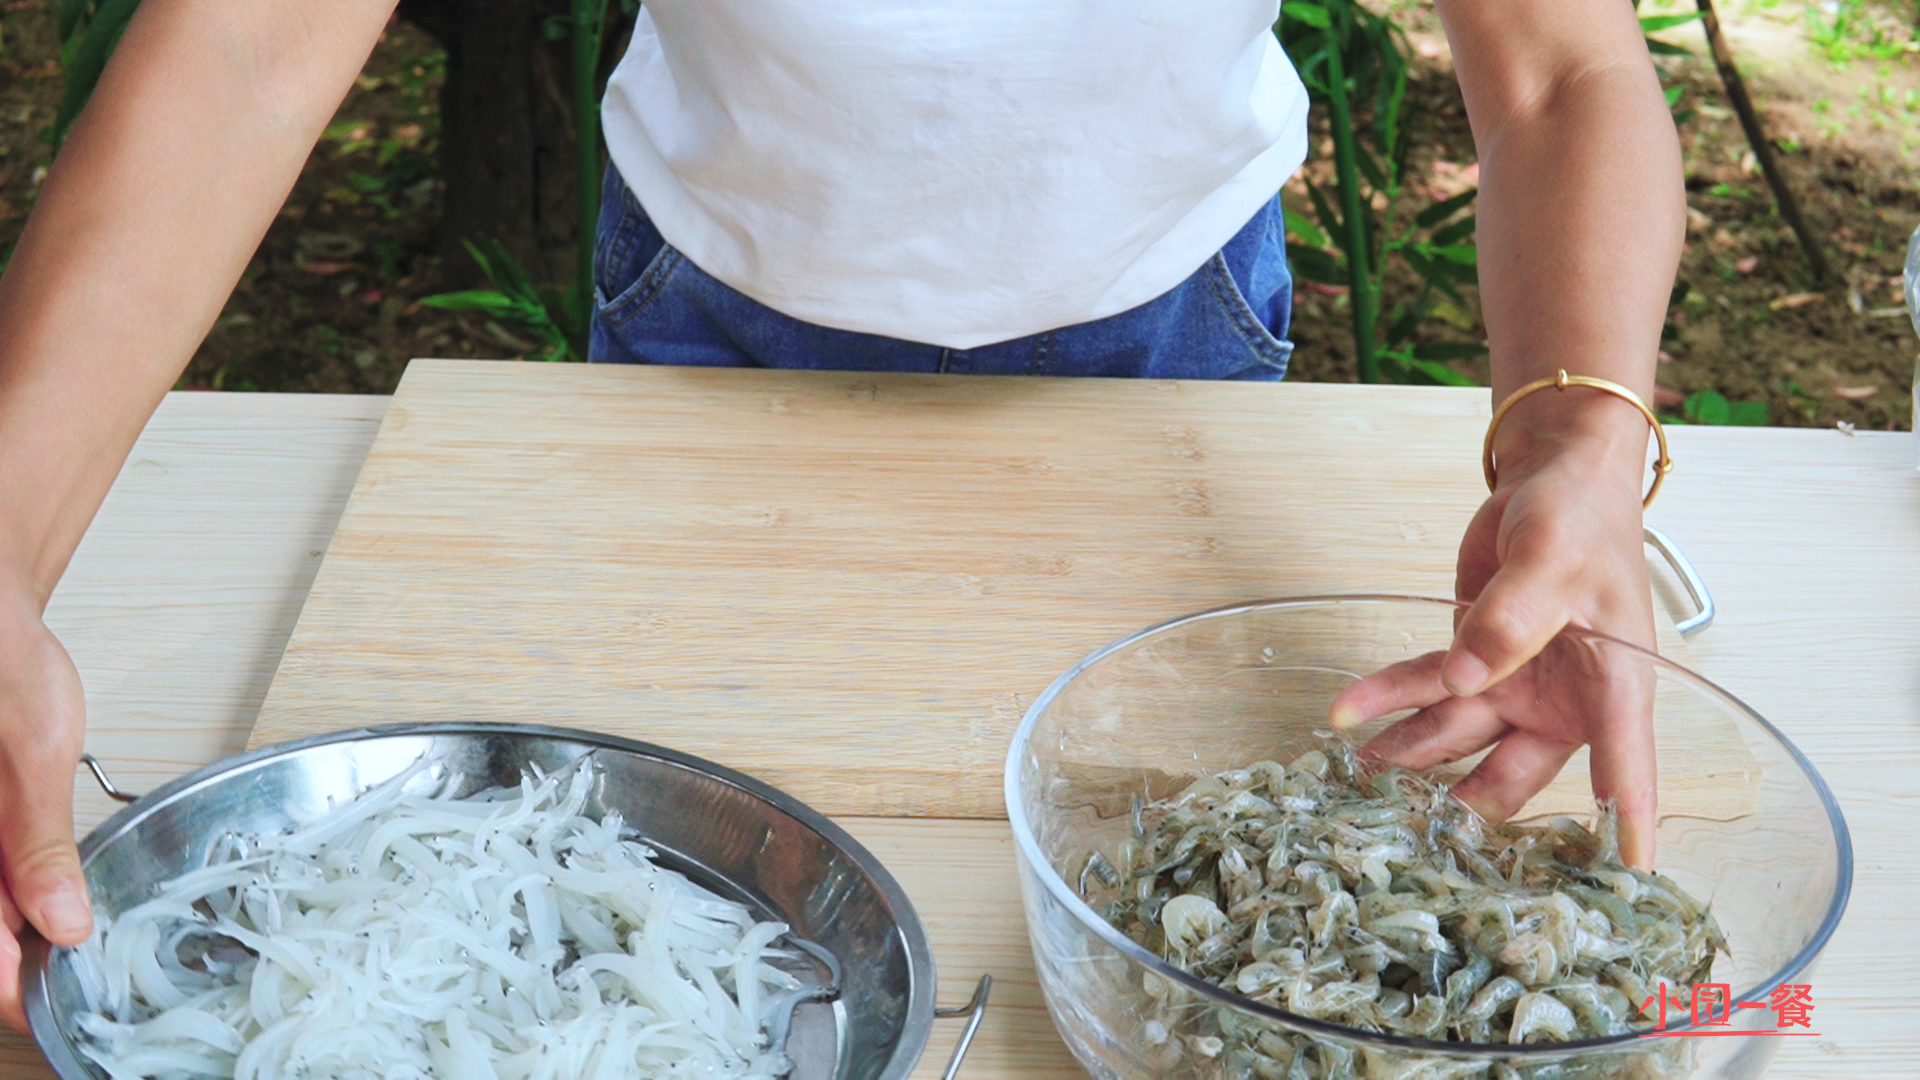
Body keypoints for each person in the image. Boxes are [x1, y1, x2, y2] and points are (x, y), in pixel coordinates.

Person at [0, 0, 1682, 1032]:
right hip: (708, 288)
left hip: (1170, 310)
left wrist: (1581, 437)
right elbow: (245, 34)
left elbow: (1560, 68)